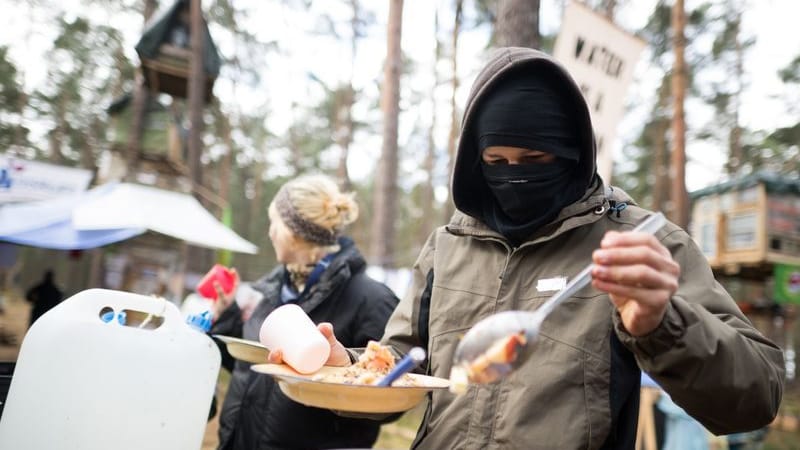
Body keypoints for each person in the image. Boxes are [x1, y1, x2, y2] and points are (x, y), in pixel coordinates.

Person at [271, 47, 785, 448]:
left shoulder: (640, 245)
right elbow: (406, 365)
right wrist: (347, 367)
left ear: (571, 151)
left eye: (534, 157)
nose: (512, 174)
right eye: (495, 160)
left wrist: (660, 322)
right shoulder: (448, 246)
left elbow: (757, 396)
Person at [210, 174, 399, 450]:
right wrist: (227, 317)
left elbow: (390, 401)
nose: (270, 232)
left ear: (294, 233)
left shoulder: (372, 300)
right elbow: (250, 368)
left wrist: (340, 371)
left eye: (274, 222)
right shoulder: (272, 289)